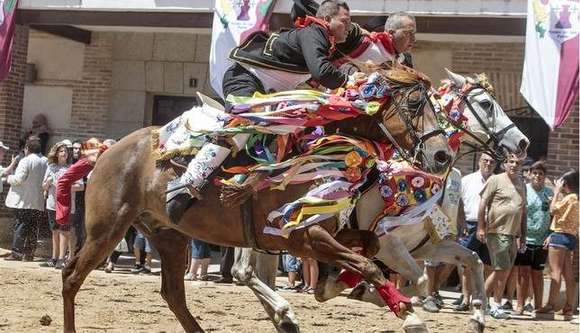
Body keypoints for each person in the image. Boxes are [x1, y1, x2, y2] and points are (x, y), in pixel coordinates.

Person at [477, 154, 527, 320]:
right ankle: (486, 303)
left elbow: (523, 211)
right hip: (496, 231)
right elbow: (483, 204)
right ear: (505, 164)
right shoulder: (495, 180)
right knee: (501, 269)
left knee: (504, 271)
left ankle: (488, 303)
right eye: (511, 162)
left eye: (517, 163)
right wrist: (481, 227)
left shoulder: (522, 184)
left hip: (513, 235)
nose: (514, 165)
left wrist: (523, 236)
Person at [454, 153, 495, 311]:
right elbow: (458, 203)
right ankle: (465, 299)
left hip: (491, 226)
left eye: (492, 161)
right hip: (470, 225)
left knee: (489, 265)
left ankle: (484, 300)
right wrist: (461, 222)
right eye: (485, 160)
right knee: (466, 264)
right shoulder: (467, 180)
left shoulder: (497, 181)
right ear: (479, 161)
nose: (488, 164)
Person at [512, 161, 553, 314]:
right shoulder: (524, 190)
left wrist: (550, 235)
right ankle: (520, 305)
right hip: (525, 239)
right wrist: (518, 235)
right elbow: (518, 213)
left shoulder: (550, 193)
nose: (537, 176)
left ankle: (537, 306)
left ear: (544, 176)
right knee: (523, 273)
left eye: (541, 174)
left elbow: (555, 215)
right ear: (529, 174)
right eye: (534, 173)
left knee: (538, 274)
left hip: (542, 241)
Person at [537, 170, 579, 316]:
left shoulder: (569, 198)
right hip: (571, 237)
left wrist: (556, 192)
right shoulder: (575, 198)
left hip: (560, 236)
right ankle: (569, 307)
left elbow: (553, 210)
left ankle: (550, 305)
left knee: (555, 271)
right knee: (568, 274)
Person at [39, 142, 82, 269]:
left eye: (65, 151)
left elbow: (80, 186)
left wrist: (64, 187)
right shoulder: (51, 167)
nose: (64, 153)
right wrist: (47, 183)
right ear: (56, 153)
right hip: (52, 204)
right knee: (55, 232)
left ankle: (62, 259)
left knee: (65, 232)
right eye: (61, 151)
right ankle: (54, 258)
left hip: (67, 205)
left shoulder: (72, 168)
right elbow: (43, 186)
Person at [4, 137, 48, 261]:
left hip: (24, 200)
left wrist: (8, 178)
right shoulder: (46, 161)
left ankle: (16, 253)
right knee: (34, 228)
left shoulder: (26, 160)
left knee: (21, 226)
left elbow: (19, 179)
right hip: (38, 201)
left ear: (27, 148)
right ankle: (29, 254)